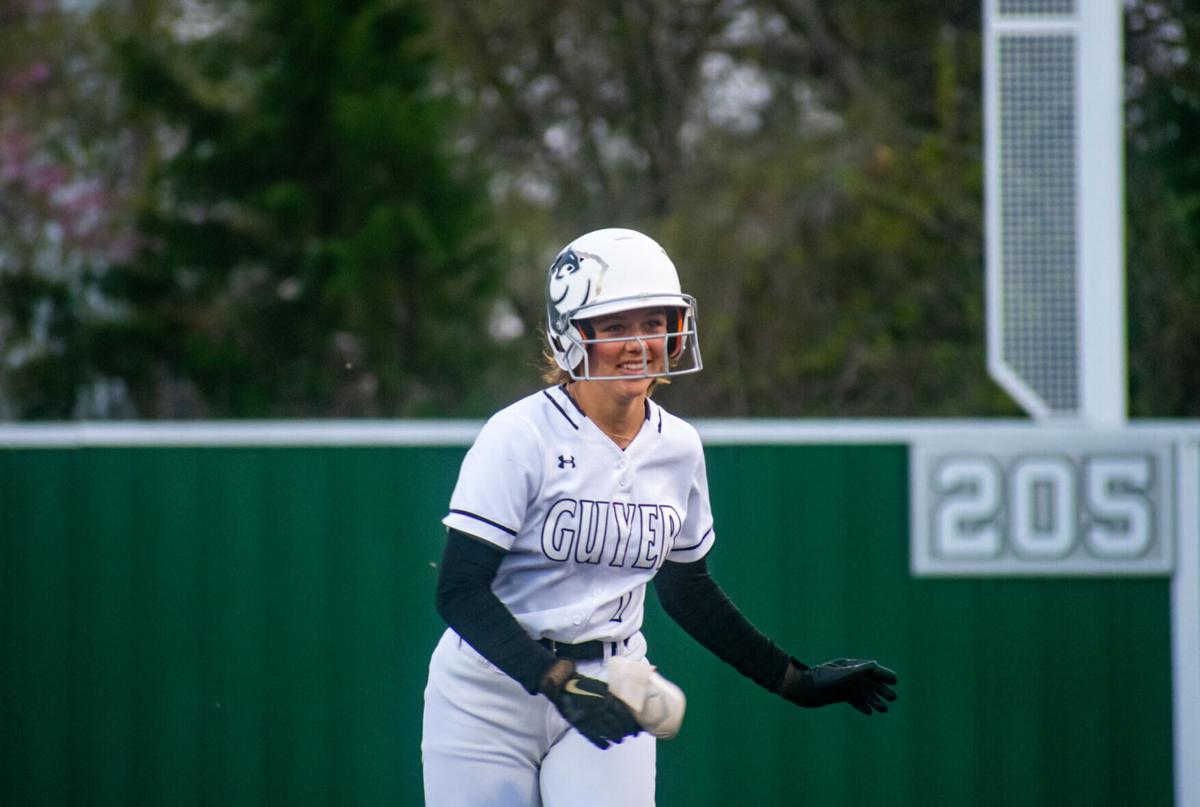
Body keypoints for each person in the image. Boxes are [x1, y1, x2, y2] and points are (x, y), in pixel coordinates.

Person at [421, 227, 898, 806]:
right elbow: (460, 592)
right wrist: (556, 681)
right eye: (616, 325)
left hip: (614, 682)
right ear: (574, 335)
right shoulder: (519, 436)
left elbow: (687, 590)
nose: (640, 343)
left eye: (655, 323)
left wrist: (793, 680)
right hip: (487, 692)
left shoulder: (679, 447)